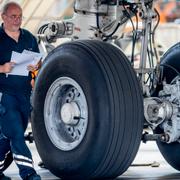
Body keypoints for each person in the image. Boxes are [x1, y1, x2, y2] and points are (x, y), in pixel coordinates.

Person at [0, 2, 41, 180]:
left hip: (24, 95)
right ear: (3, 17)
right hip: (4, 95)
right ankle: (29, 173)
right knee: (16, 133)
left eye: (20, 16)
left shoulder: (29, 38)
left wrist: (35, 68)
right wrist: (2, 68)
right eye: (13, 16)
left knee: (8, 137)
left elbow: (38, 63)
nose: (17, 20)